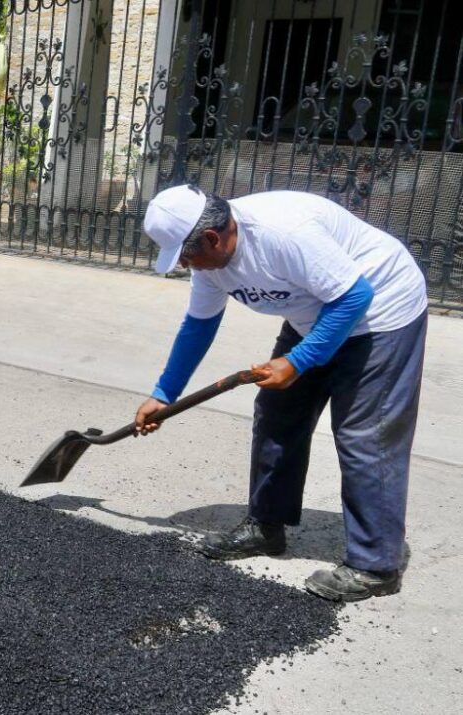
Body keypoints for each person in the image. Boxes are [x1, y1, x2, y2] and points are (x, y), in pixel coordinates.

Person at [136, 185, 428, 602]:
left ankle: (376, 565)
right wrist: (164, 393)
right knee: (276, 411)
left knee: (366, 436)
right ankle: (265, 526)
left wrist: (298, 361)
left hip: (382, 315)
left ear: (214, 238)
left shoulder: (284, 232)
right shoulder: (210, 264)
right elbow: (199, 325)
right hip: (313, 312)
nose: (185, 265)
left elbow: (355, 296)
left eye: (186, 255)